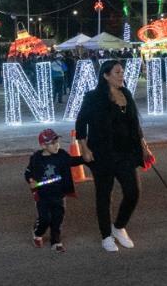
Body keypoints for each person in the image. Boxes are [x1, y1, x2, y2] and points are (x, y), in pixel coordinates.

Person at [75, 59, 153, 252]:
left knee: (133, 192)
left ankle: (118, 227)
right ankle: (106, 236)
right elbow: (80, 123)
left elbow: (135, 125)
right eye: (117, 72)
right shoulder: (93, 97)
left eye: (122, 72)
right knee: (103, 194)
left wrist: (144, 146)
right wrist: (84, 148)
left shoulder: (126, 93)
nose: (121, 75)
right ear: (106, 75)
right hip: (102, 154)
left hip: (126, 152)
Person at [24, 128, 87, 252]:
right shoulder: (36, 158)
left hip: (59, 194)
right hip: (42, 195)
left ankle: (56, 241)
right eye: (52, 143)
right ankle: (38, 232)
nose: (56, 145)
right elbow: (28, 172)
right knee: (45, 219)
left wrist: (84, 158)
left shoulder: (62, 155)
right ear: (43, 146)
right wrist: (31, 180)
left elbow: (72, 161)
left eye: (57, 142)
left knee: (58, 218)